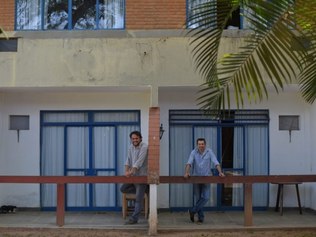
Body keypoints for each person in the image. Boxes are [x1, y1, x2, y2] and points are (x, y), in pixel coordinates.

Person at [184, 138, 225, 224]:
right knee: (198, 199)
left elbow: (216, 162)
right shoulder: (193, 152)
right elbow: (189, 163)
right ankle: (201, 218)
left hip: (207, 178)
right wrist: (187, 172)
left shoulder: (209, 152)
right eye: (199, 144)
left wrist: (220, 172)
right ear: (197, 145)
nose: (201, 145)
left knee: (205, 197)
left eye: (202, 144)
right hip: (196, 178)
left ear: (205, 144)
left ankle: (192, 211)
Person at [120, 131, 148, 225]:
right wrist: (126, 171)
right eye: (133, 138)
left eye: (136, 138)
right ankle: (143, 190)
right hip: (133, 177)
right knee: (123, 188)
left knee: (138, 199)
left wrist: (130, 172)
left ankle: (134, 219)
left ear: (140, 138)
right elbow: (127, 160)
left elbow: (139, 162)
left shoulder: (144, 146)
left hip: (141, 176)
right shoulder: (130, 147)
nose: (134, 140)